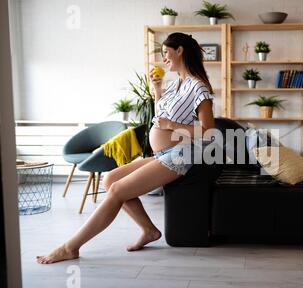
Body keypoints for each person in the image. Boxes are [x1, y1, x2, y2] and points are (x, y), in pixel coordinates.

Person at [37, 33, 215, 264]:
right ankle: (149, 231)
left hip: (182, 155)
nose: (164, 59)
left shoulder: (198, 86)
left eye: (166, 53)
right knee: (110, 179)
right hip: (164, 153)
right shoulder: (177, 84)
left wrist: (171, 126)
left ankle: (70, 247)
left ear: (179, 50)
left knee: (118, 189)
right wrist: (157, 89)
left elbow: (209, 132)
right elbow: (162, 114)